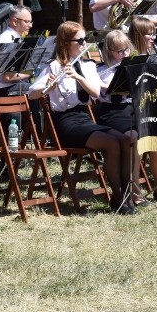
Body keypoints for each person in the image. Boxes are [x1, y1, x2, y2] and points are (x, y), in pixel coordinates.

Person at [29, 22, 136, 214]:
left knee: (125, 140)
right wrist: (49, 87)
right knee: (112, 143)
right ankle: (118, 197)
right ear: (65, 42)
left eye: (85, 39)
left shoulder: (87, 66)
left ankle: (127, 195)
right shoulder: (54, 66)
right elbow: (32, 93)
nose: (85, 43)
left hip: (85, 117)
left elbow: (95, 92)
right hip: (65, 122)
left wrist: (78, 76)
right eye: (80, 40)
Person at [95, 30, 157, 204]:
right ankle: (134, 191)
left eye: (126, 49)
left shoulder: (133, 65)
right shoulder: (100, 70)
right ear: (108, 51)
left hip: (136, 108)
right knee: (135, 137)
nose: (124, 54)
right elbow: (100, 90)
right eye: (119, 51)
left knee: (156, 134)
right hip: (113, 112)